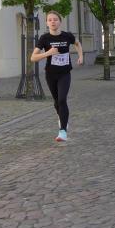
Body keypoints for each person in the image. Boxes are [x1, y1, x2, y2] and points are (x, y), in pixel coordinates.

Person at [31, 10, 84, 142]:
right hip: (51, 74)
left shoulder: (67, 36)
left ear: (60, 22)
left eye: (55, 19)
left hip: (64, 73)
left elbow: (77, 43)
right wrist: (48, 53)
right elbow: (33, 57)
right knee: (56, 102)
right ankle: (62, 117)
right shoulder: (44, 38)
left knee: (62, 100)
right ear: (47, 23)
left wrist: (81, 56)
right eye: (50, 20)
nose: (53, 22)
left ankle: (63, 131)